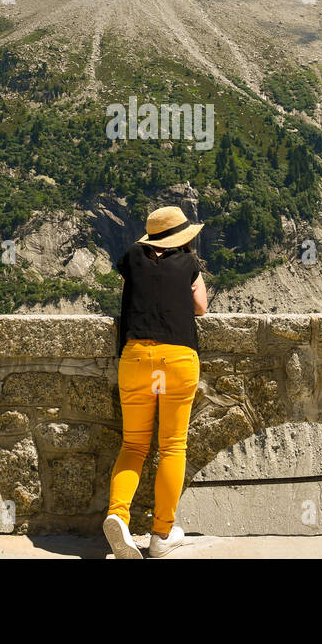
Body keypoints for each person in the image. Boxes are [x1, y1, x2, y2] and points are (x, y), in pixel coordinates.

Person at [102, 205, 208, 559]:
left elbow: (132, 290)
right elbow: (201, 307)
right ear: (181, 237)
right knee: (172, 447)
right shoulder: (189, 262)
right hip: (177, 359)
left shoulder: (132, 256)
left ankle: (118, 513)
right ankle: (161, 534)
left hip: (136, 359)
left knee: (133, 446)